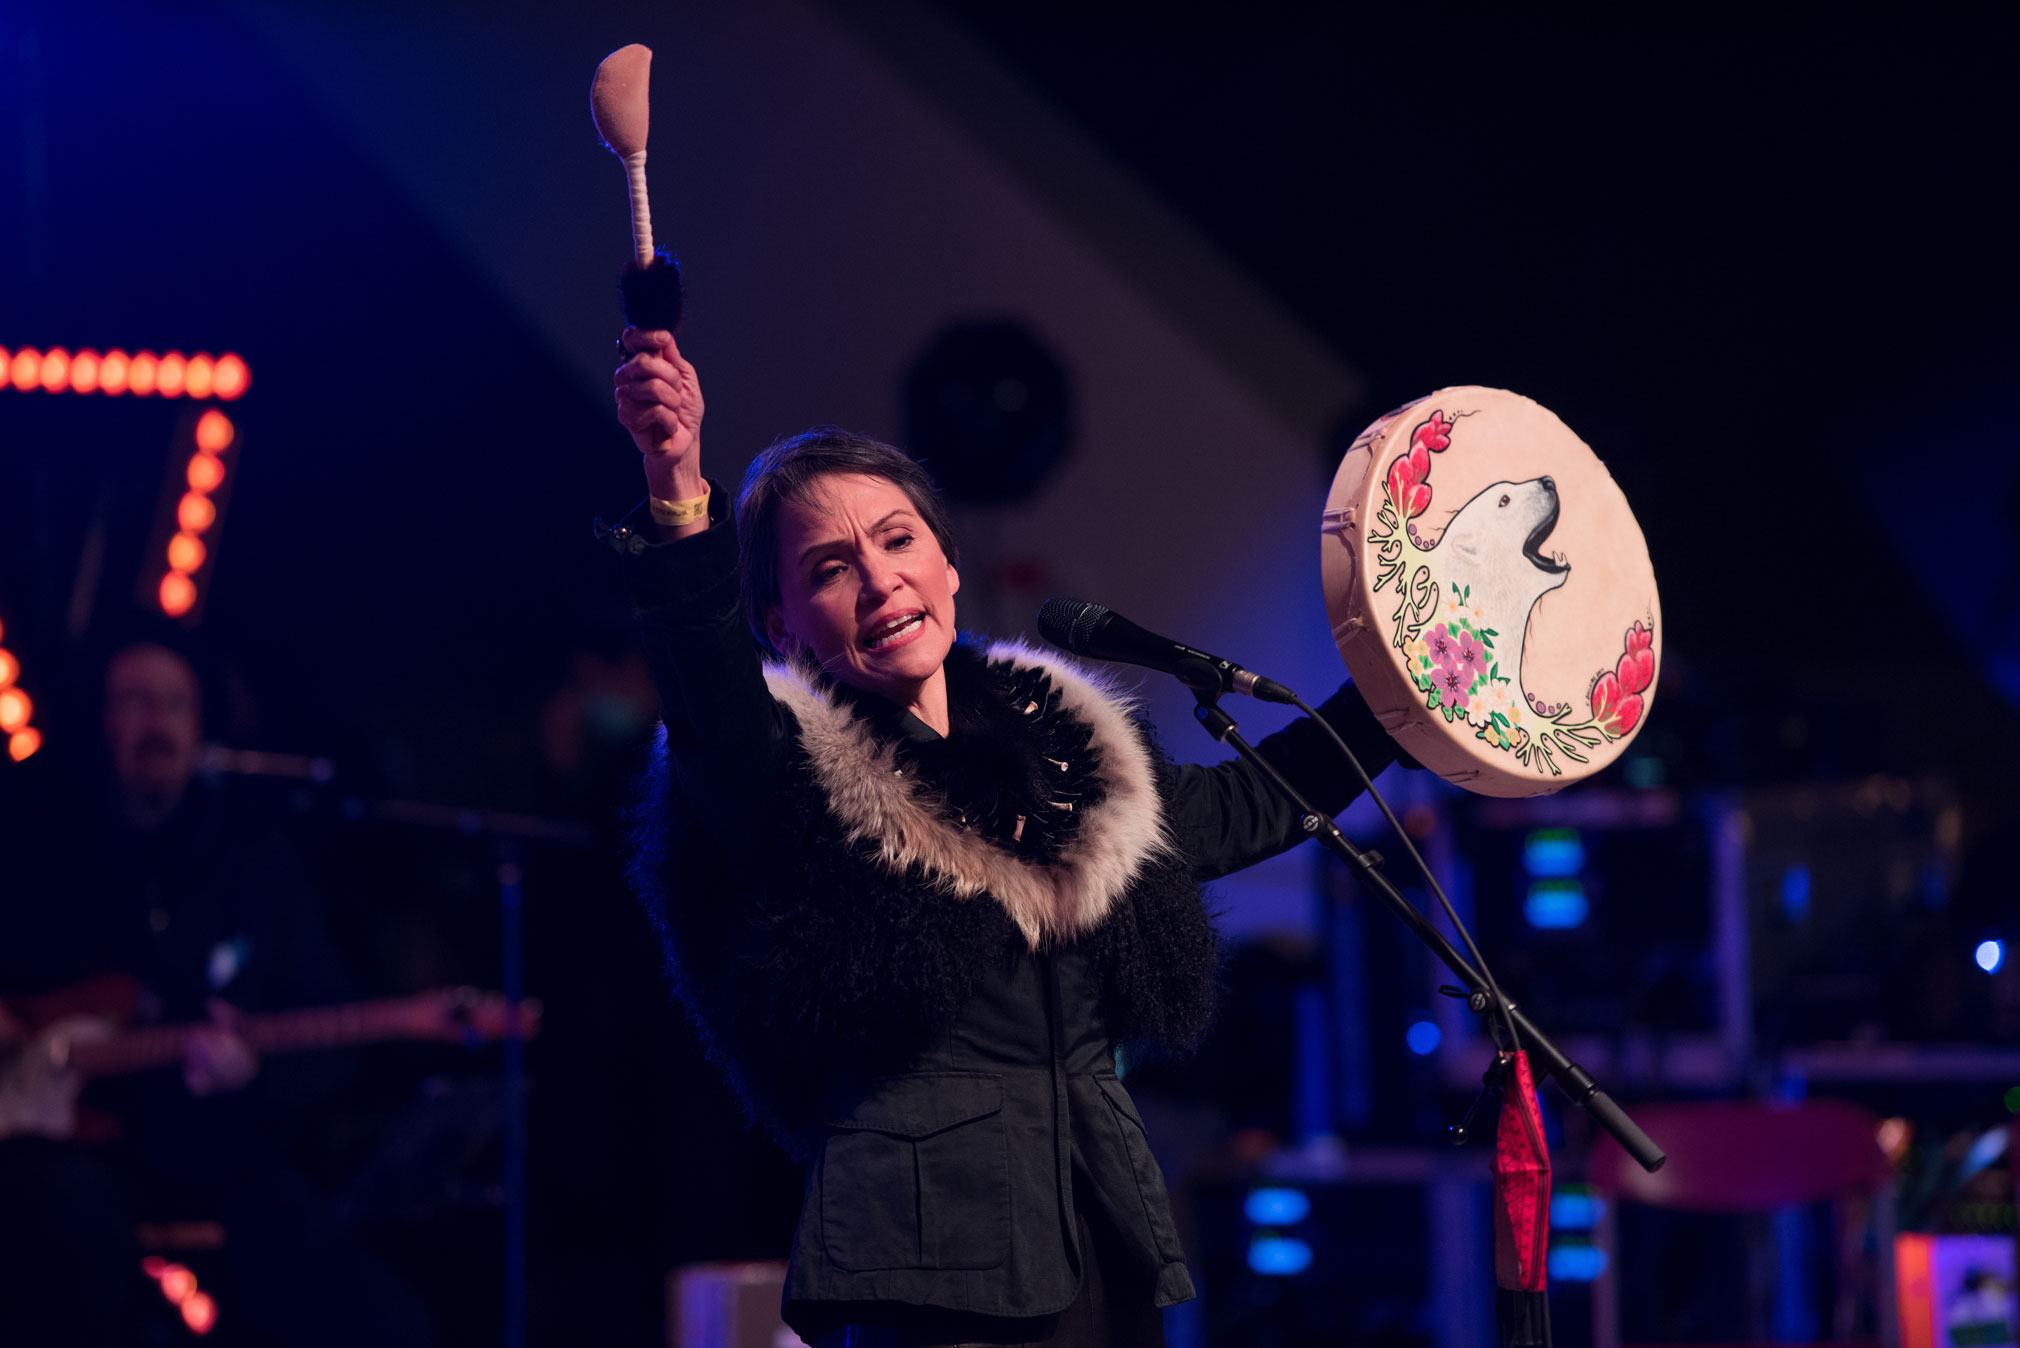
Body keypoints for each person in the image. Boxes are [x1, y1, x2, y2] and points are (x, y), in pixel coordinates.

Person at [606, 327, 1404, 1347]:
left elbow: (1239, 808)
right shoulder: (781, 773)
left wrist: (1394, 703)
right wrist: (676, 484)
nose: (882, 580)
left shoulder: (1068, 743)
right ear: (781, 625)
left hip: (1100, 1220)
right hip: (923, 1246)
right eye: (831, 567)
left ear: (945, 562)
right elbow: (707, 693)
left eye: (898, 541)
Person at [0, 637, 431, 1348]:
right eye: (136, 702)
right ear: (97, 718)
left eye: (176, 704)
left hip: (214, 1152)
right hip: (62, 1156)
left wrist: (256, 1071)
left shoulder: (253, 859)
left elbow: (323, 1021)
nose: (157, 724)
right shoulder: (37, 844)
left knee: (382, 1318)